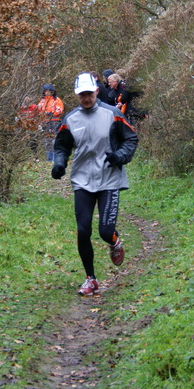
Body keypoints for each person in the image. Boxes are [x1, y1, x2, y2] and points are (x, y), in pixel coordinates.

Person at [51, 72, 139, 296]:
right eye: (82, 95)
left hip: (109, 179)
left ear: (97, 91)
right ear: (77, 95)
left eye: (89, 93)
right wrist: (59, 164)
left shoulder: (112, 114)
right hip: (82, 180)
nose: (86, 98)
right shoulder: (71, 119)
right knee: (83, 231)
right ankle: (90, 279)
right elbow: (61, 146)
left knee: (105, 230)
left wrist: (120, 156)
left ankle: (114, 241)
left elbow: (131, 139)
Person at [37, 84, 65, 161]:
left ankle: (54, 158)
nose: (46, 92)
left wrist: (50, 113)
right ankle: (49, 157)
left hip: (55, 122)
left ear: (52, 91)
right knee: (47, 141)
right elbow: (38, 109)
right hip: (45, 122)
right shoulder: (42, 101)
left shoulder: (57, 100)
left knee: (54, 140)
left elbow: (60, 110)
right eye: (45, 91)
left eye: (48, 91)